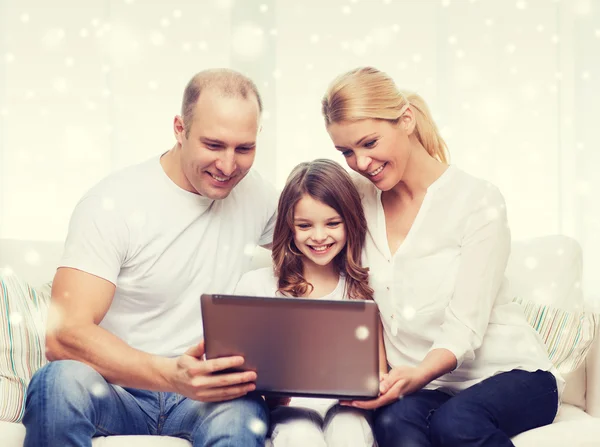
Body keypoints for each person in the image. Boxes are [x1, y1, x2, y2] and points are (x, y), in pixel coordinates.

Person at [23, 68, 278, 447]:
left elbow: (323, 248)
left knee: (245, 415)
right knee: (56, 382)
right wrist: (168, 374)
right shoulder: (113, 203)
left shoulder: (256, 195)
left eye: (244, 149)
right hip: (116, 390)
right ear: (180, 128)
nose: (228, 166)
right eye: (213, 145)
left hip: (204, 398)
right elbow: (64, 335)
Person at [320, 66, 562, 447]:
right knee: (393, 423)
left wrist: (416, 375)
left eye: (369, 143)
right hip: (428, 385)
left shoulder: (478, 201)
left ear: (406, 119)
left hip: (513, 375)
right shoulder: (356, 201)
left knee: (456, 423)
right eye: (346, 152)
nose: (361, 162)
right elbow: (298, 216)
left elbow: (464, 326)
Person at [234, 159, 386, 447]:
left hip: (347, 409)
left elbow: (378, 373)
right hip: (287, 410)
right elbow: (242, 374)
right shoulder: (259, 286)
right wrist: (272, 393)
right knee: (300, 433)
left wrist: (364, 391)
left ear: (350, 222)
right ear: (289, 228)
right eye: (304, 225)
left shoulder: (360, 289)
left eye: (332, 223)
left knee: (349, 429)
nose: (318, 236)